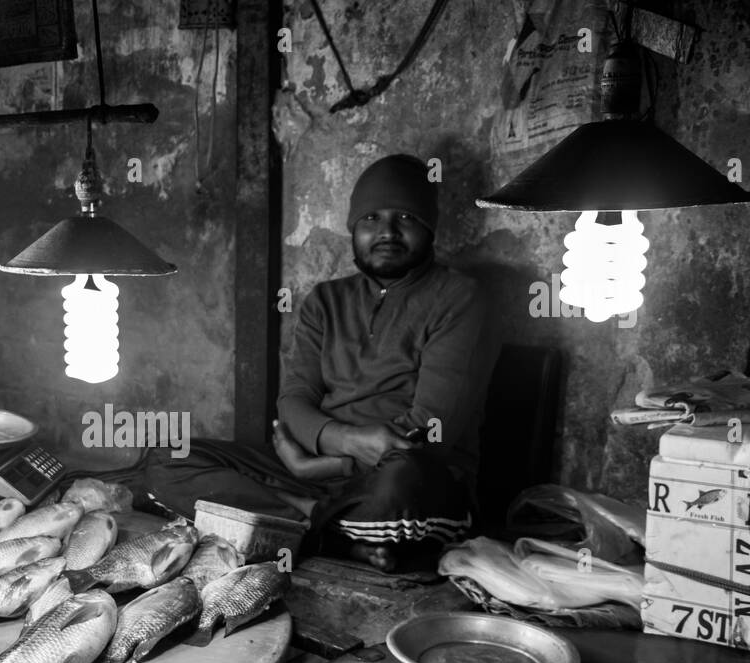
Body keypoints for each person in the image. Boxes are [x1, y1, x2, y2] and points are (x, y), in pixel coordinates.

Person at [142, 154, 498, 572]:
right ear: (353, 229)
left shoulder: (460, 297)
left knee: (402, 485)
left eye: (405, 216)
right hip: (316, 472)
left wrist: (321, 463)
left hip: (399, 481)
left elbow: (431, 430)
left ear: (429, 227)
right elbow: (294, 401)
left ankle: (289, 521)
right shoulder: (326, 300)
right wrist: (339, 446)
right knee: (168, 461)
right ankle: (329, 532)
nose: (386, 231)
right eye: (370, 218)